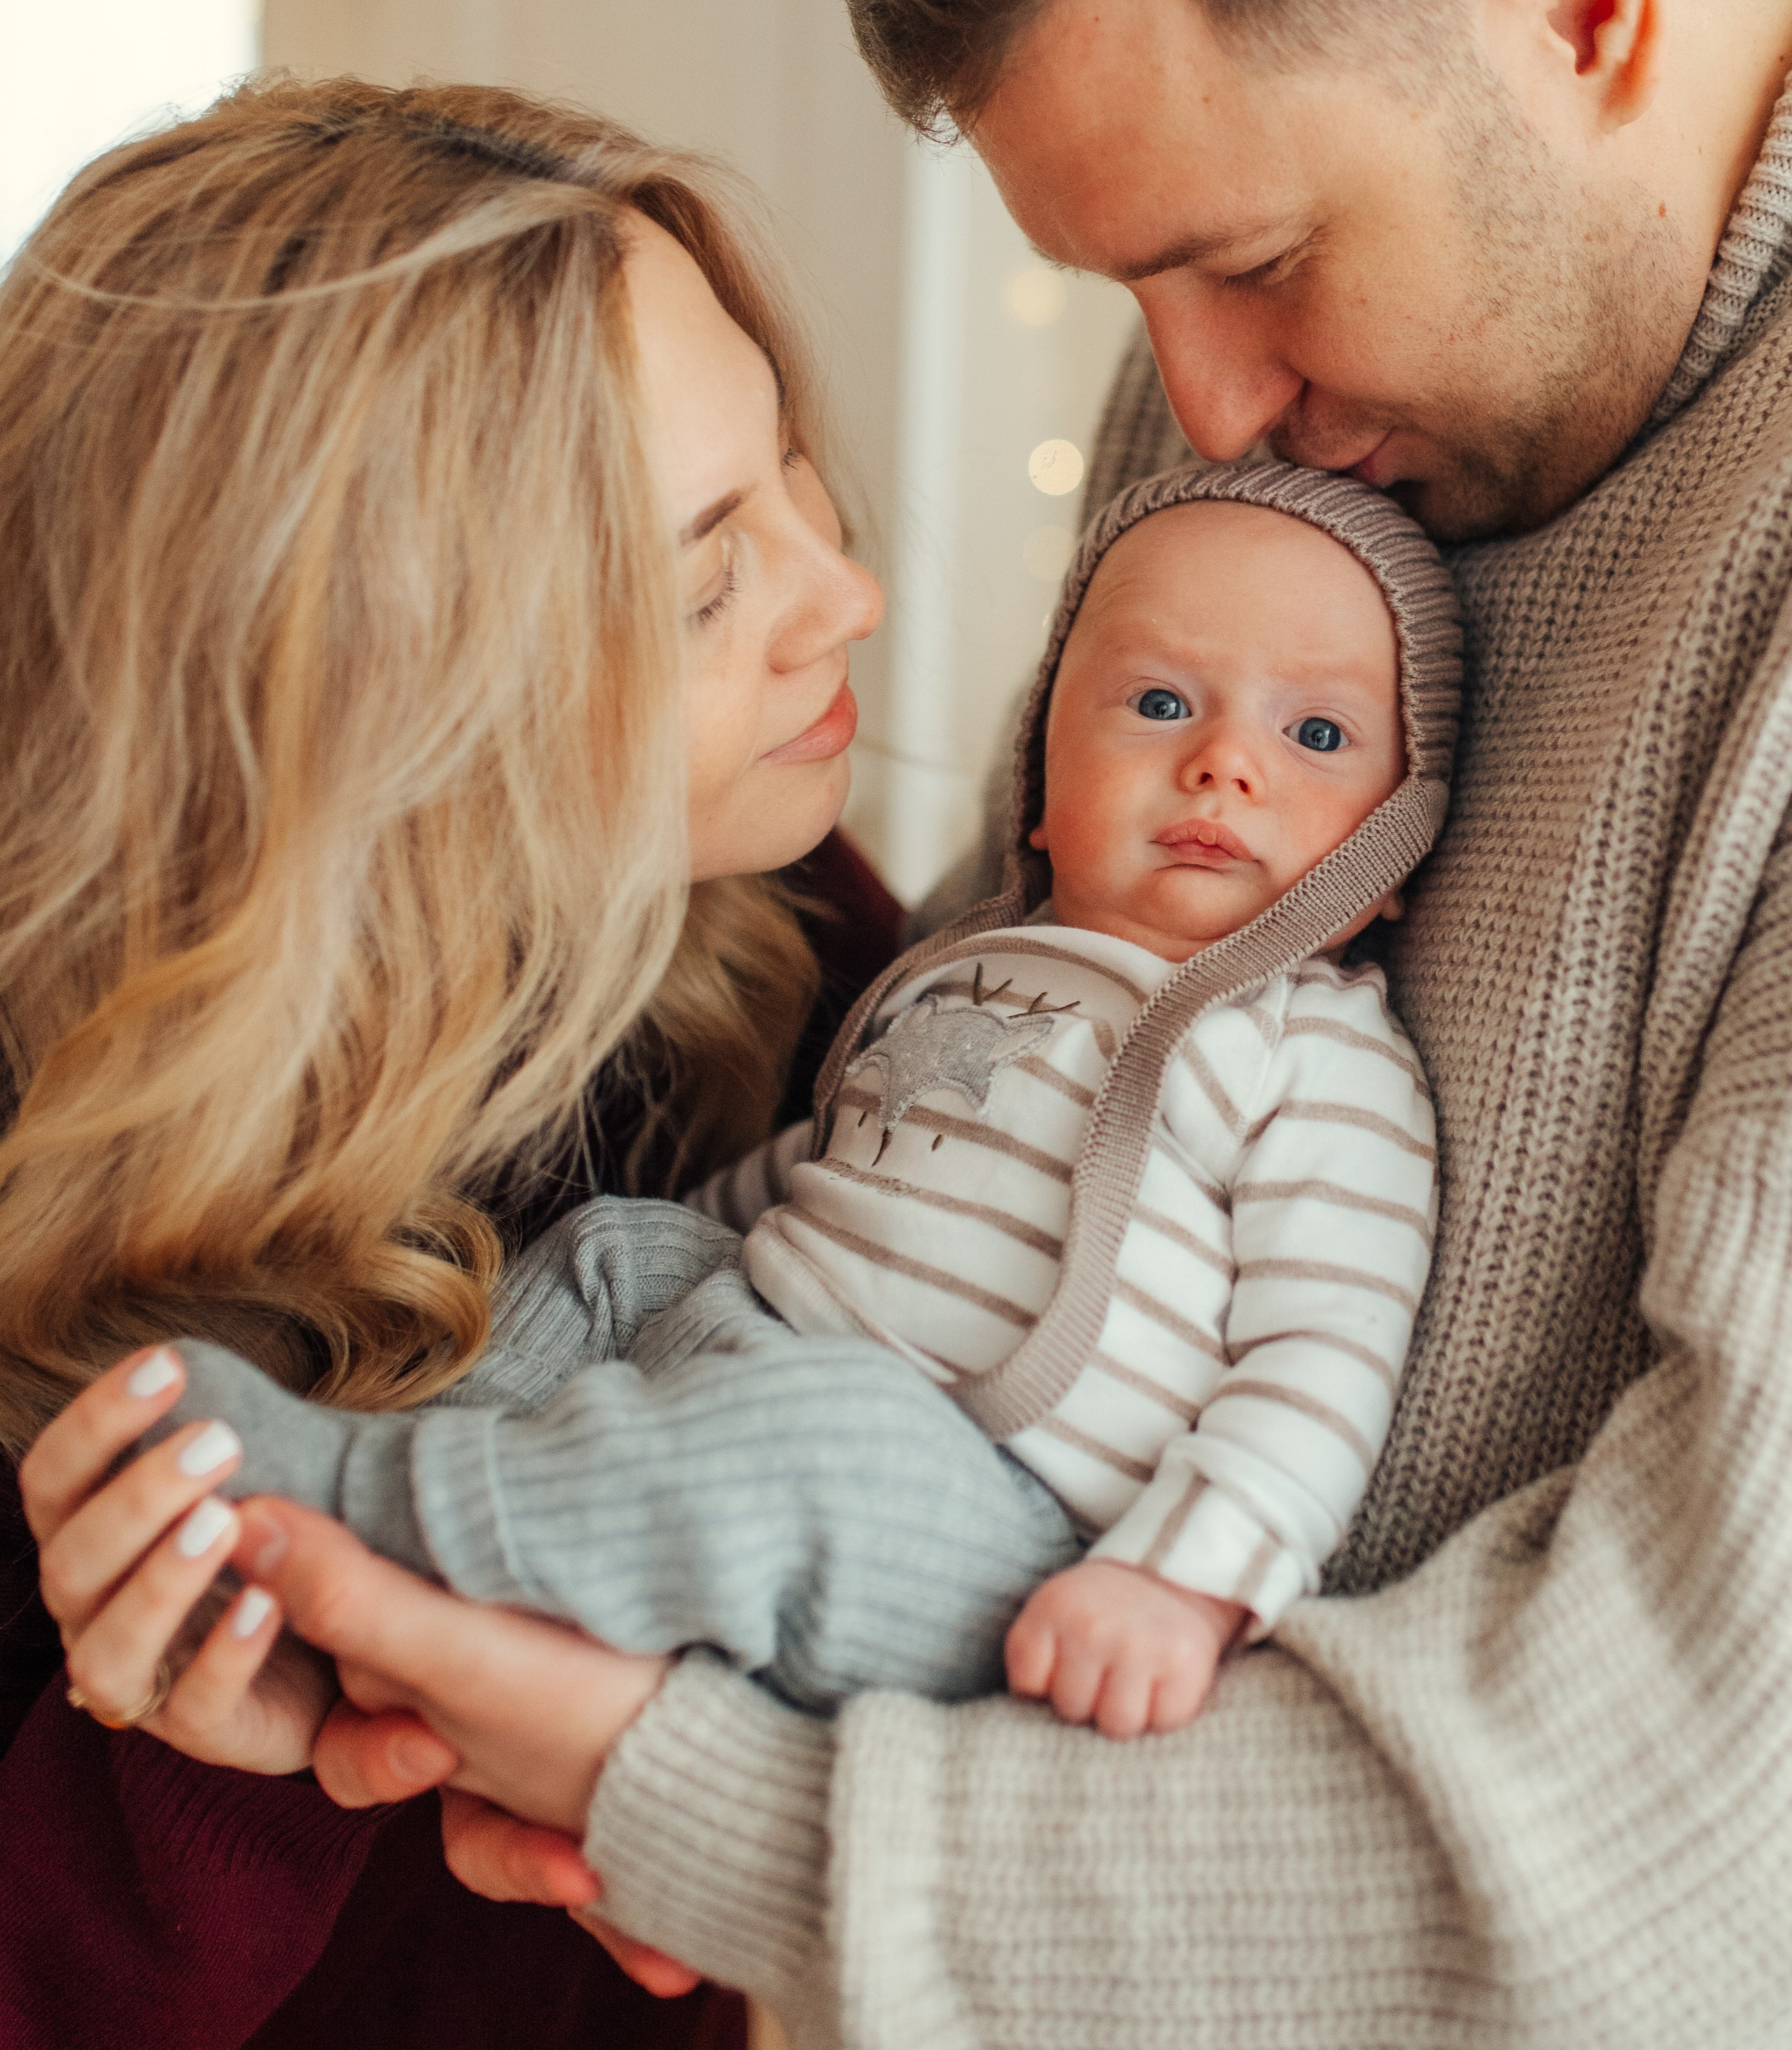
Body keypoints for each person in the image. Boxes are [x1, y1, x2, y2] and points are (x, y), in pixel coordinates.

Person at [27, 0, 1792, 2044]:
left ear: (1575, 0)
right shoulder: (1268, 404)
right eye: (1131, 298)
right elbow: (964, 1141)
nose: (1191, 420)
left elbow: (1694, 1839)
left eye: (1255, 259)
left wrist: (700, 1803)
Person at [0, 72, 899, 2050]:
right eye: (702, 577)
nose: (847, 593)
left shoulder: (792, 933)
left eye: (791, 473)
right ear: (377, 717)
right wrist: (208, 1766)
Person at [120, 463, 1456, 1738]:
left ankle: (366, 1508)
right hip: (770, 1336)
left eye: (1318, 734)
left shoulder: (1309, 1057)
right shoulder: (971, 965)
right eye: (1161, 705)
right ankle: (443, 1460)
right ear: (1041, 787)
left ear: (1393, 856)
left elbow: (1325, 1353)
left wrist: (1183, 1581)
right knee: (613, 1245)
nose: (1226, 763)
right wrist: (690, 1260)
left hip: (973, 1502)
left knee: (813, 1445)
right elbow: (841, 1158)